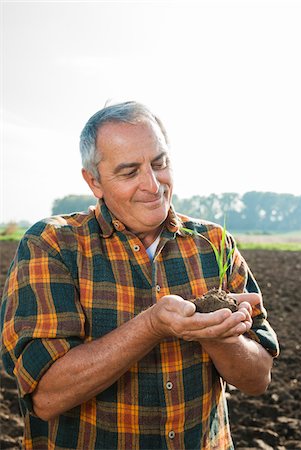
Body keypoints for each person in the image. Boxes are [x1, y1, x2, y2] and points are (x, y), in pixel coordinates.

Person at [1, 101, 279, 450]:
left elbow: (258, 379)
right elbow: (46, 396)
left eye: (159, 163)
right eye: (129, 171)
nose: (153, 184)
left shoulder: (214, 244)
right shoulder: (53, 245)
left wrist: (217, 332)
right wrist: (152, 326)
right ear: (94, 181)